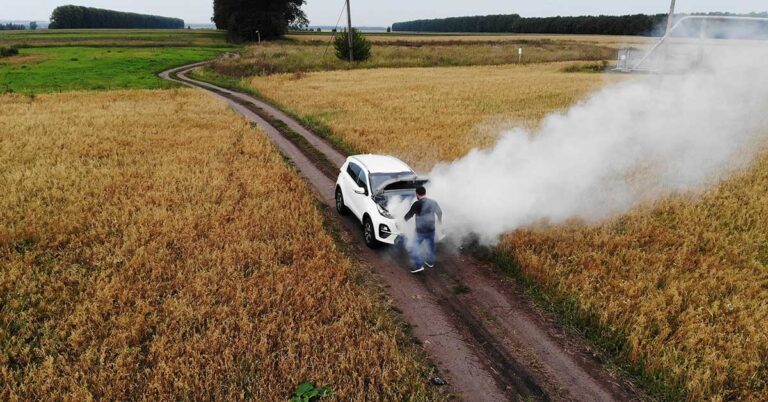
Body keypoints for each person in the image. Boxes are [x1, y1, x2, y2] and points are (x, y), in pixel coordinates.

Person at [404, 186, 443, 274]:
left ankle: (418, 265)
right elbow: (439, 212)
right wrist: (439, 222)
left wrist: (402, 221)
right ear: (425, 192)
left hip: (420, 231)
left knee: (415, 246)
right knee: (431, 246)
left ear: (417, 194)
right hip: (431, 229)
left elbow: (409, 215)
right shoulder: (433, 202)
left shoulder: (416, 204)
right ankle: (430, 262)